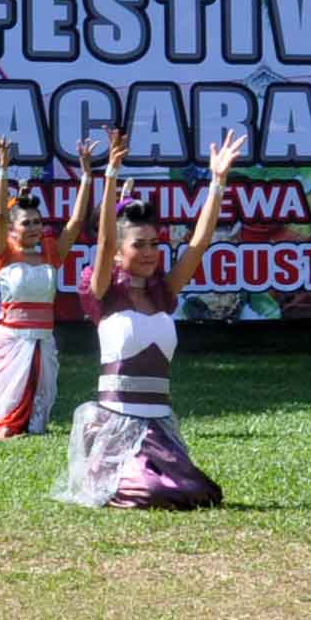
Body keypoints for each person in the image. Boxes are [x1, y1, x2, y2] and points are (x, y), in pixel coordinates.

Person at [54, 129, 243, 509]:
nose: (150, 251)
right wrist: (110, 176)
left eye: (155, 243)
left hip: (158, 427)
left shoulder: (164, 293)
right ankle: (109, 476)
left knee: (200, 495)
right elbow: (104, 242)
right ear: (120, 252)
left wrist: (218, 181)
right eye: (139, 244)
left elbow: (199, 243)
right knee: (152, 493)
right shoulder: (104, 293)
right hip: (116, 427)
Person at [0, 137, 99, 438]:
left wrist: (86, 175)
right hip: (12, 340)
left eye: (38, 222)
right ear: (13, 230)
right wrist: (3, 168)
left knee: (34, 422)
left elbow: (78, 221)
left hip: (42, 340)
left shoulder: (51, 253)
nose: (35, 228)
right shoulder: (2, 253)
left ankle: (26, 423)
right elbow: (0, 214)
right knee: (2, 415)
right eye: (27, 223)